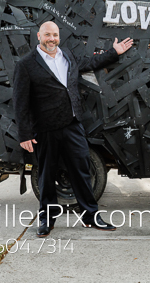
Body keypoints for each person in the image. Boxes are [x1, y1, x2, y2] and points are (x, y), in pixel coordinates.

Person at [14, 21, 133, 237]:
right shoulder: (26, 64)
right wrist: (24, 134)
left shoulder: (66, 55)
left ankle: (90, 216)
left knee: (82, 171)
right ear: (39, 36)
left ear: (59, 37)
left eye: (55, 35)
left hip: (72, 125)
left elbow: (89, 63)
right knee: (46, 176)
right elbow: (20, 102)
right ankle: (46, 219)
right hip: (46, 129)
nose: (52, 39)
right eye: (47, 35)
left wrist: (113, 53)